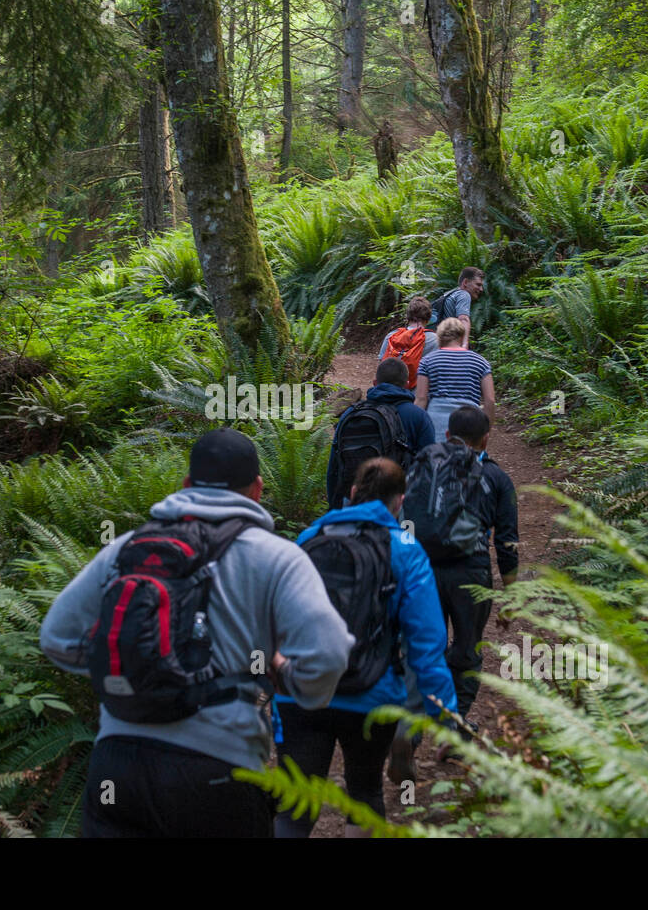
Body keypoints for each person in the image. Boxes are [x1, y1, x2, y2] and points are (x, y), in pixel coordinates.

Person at [39, 428, 354, 838]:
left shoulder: (128, 547)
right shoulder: (276, 556)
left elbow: (56, 638)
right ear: (257, 490)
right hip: (219, 771)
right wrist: (292, 680)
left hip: (117, 765)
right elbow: (328, 654)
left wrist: (137, 671)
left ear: (186, 485)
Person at [274, 457, 457, 838]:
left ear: (352, 493)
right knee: (365, 792)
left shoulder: (308, 539)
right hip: (371, 695)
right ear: (399, 501)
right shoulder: (405, 549)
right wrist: (445, 717)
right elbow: (426, 644)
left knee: (294, 806)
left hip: (300, 689)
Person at [428, 405, 519, 734]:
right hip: (472, 571)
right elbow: (507, 542)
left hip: (427, 570)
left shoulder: (426, 468)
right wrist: (512, 597)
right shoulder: (497, 478)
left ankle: (415, 725)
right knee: (468, 648)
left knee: (426, 645)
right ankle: (455, 722)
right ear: (486, 438)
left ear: (448, 435)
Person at [326, 357, 435, 509]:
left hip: (353, 499)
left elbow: (334, 466)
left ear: (375, 383)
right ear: (408, 385)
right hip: (396, 504)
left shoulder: (351, 413)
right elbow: (428, 468)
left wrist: (333, 507)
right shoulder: (418, 416)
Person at [415, 317, 496, 439]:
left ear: (440, 337)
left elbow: (421, 399)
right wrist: (486, 431)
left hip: (436, 421)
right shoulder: (480, 362)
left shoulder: (427, 361)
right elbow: (490, 400)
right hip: (470, 421)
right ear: (462, 336)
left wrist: (415, 430)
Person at [377, 296, 438, 390]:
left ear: (407, 316)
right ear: (429, 317)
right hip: (414, 395)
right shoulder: (434, 339)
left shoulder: (392, 336)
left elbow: (381, 366)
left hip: (387, 391)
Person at [429, 266, 484, 349]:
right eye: (478, 284)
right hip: (447, 346)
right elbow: (464, 319)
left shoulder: (450, 294)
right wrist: (464, 345)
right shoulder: (464, 295)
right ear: (465, 282)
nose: (481, 289)